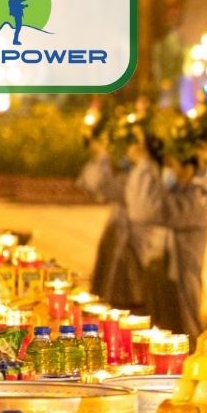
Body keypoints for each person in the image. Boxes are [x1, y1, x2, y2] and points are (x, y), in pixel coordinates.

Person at [125, 139, 207, 341]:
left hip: (182, 276)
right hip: (164, 273)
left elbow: (147, 210)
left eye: (172, 166)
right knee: (162, 329)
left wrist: (144, 165)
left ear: (189, 168)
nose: (168, 171)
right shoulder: (174, 193)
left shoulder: (196, 198)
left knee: (184, 330)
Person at [78, 131, 151, 311]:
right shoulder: (130, 172)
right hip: (119, 233)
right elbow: (96, 187)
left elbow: (109, 188)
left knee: (132, 296)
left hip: (137, 240)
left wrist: (103, 158)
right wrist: (100, 157)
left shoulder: (146, 173)